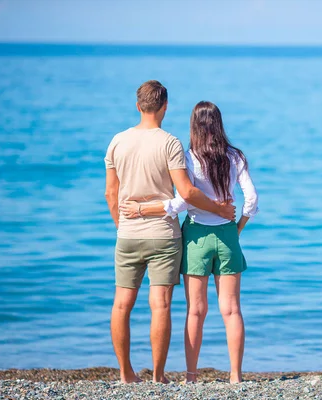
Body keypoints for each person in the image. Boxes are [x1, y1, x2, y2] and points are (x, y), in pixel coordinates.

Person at [104, 82, 235, 384]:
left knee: (122, 303)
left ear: (138, 106)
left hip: (128, 233)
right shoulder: (170, 143)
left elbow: (111, 194)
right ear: (165, 107)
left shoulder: (117, 142)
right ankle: (159, 376)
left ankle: (126, 374)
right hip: (164, 234)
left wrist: (121, 226)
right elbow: (187, 192)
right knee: (160, 304)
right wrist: (219, 210)